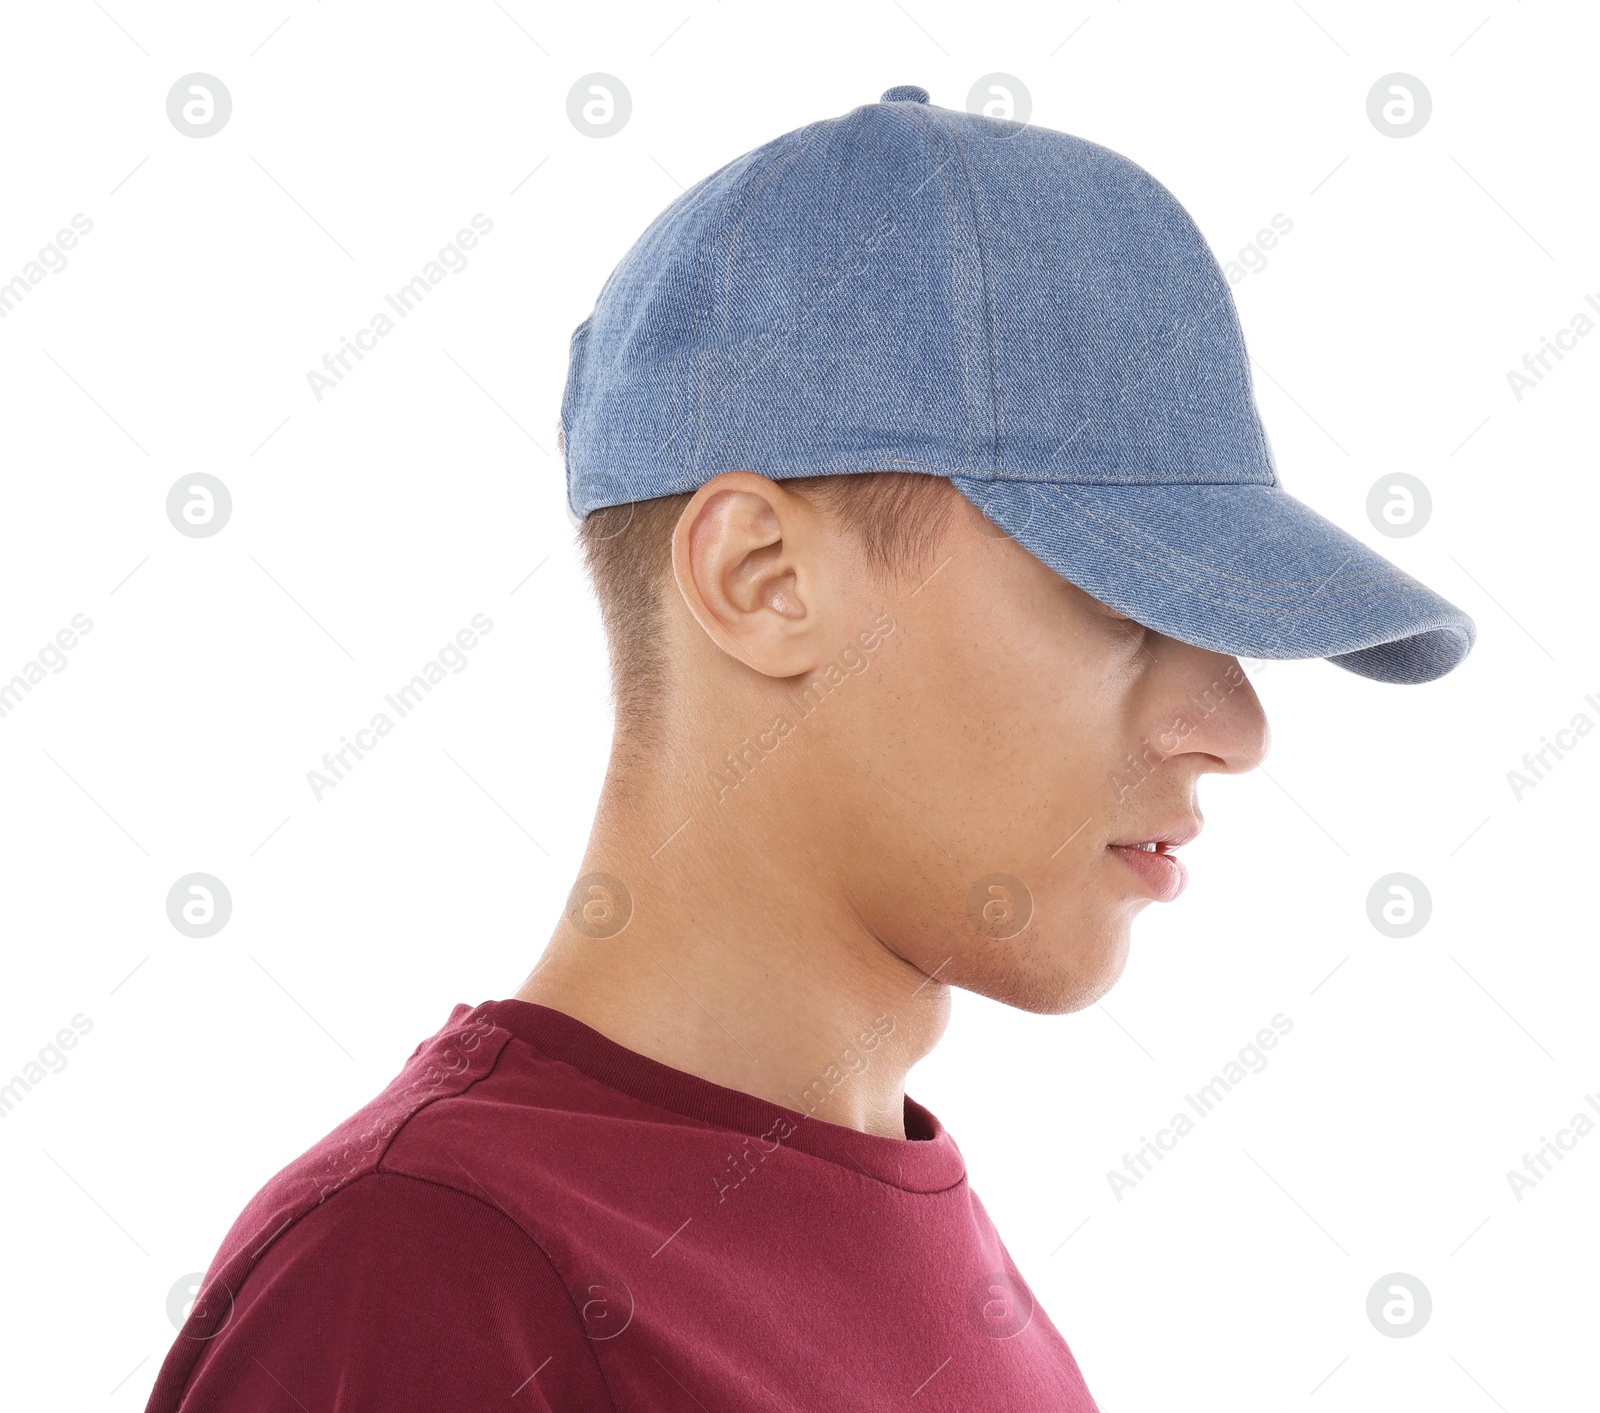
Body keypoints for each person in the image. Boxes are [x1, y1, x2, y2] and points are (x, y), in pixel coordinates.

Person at [145, 85, 1474, 1411]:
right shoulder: (429, 1278)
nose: (1238, 728)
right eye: (1125, 603)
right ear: (763, 575)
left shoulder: (924, 1247)